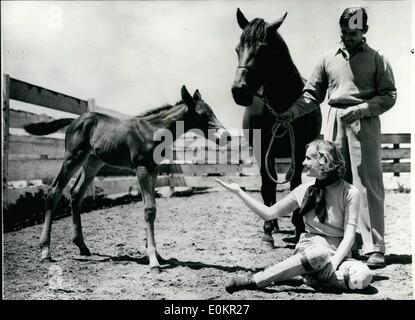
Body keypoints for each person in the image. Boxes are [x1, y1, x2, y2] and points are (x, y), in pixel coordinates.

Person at [276, 7, 396, 268]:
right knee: (333, 183)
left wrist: (363, 108)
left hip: (364, 124)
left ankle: (376, 246)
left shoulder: (378, 59)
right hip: (334, 122)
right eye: (344, 32)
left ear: (364, 31)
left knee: (368, 183)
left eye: (353, 33)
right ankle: (345, 242)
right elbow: (312, 95)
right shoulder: (326, 58)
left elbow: (389, 95)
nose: (348, 37)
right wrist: (290, 114)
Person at [215, 139, 373, 293]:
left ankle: (308, 277)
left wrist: (334, 262)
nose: (303, 163)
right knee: (320, 254)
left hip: (338, 255)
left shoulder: (350, 192)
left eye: (308, 158)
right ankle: (256, 279)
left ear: (323, 162)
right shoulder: (303, 190)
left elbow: (350, 236)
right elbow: (268, 214)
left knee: (363, 277)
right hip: (311, 251)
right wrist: (239, 192)